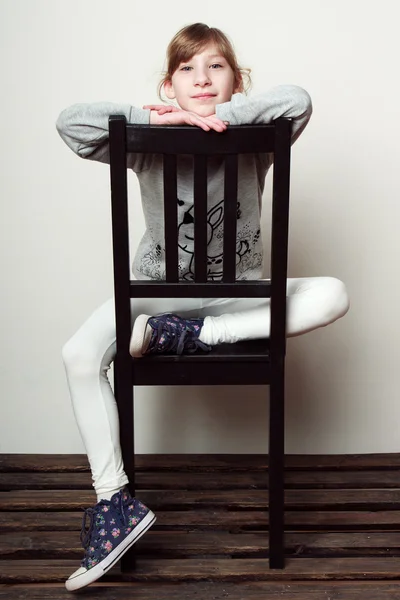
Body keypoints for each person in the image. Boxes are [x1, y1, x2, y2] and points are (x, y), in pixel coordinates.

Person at [56, 22, 350, 591]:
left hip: (237, 292)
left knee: (334, 292)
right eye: (188, 70)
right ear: (169, 86)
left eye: (215, 67)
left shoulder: (261, 136)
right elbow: (71, 122)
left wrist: (223, 119)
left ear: (237, 81)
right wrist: (161, 121)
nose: (202, 79)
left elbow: (298, 100)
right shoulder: (144, 140)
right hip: (151, 293)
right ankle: (114, 505)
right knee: (77, 354)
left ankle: (200, 335)